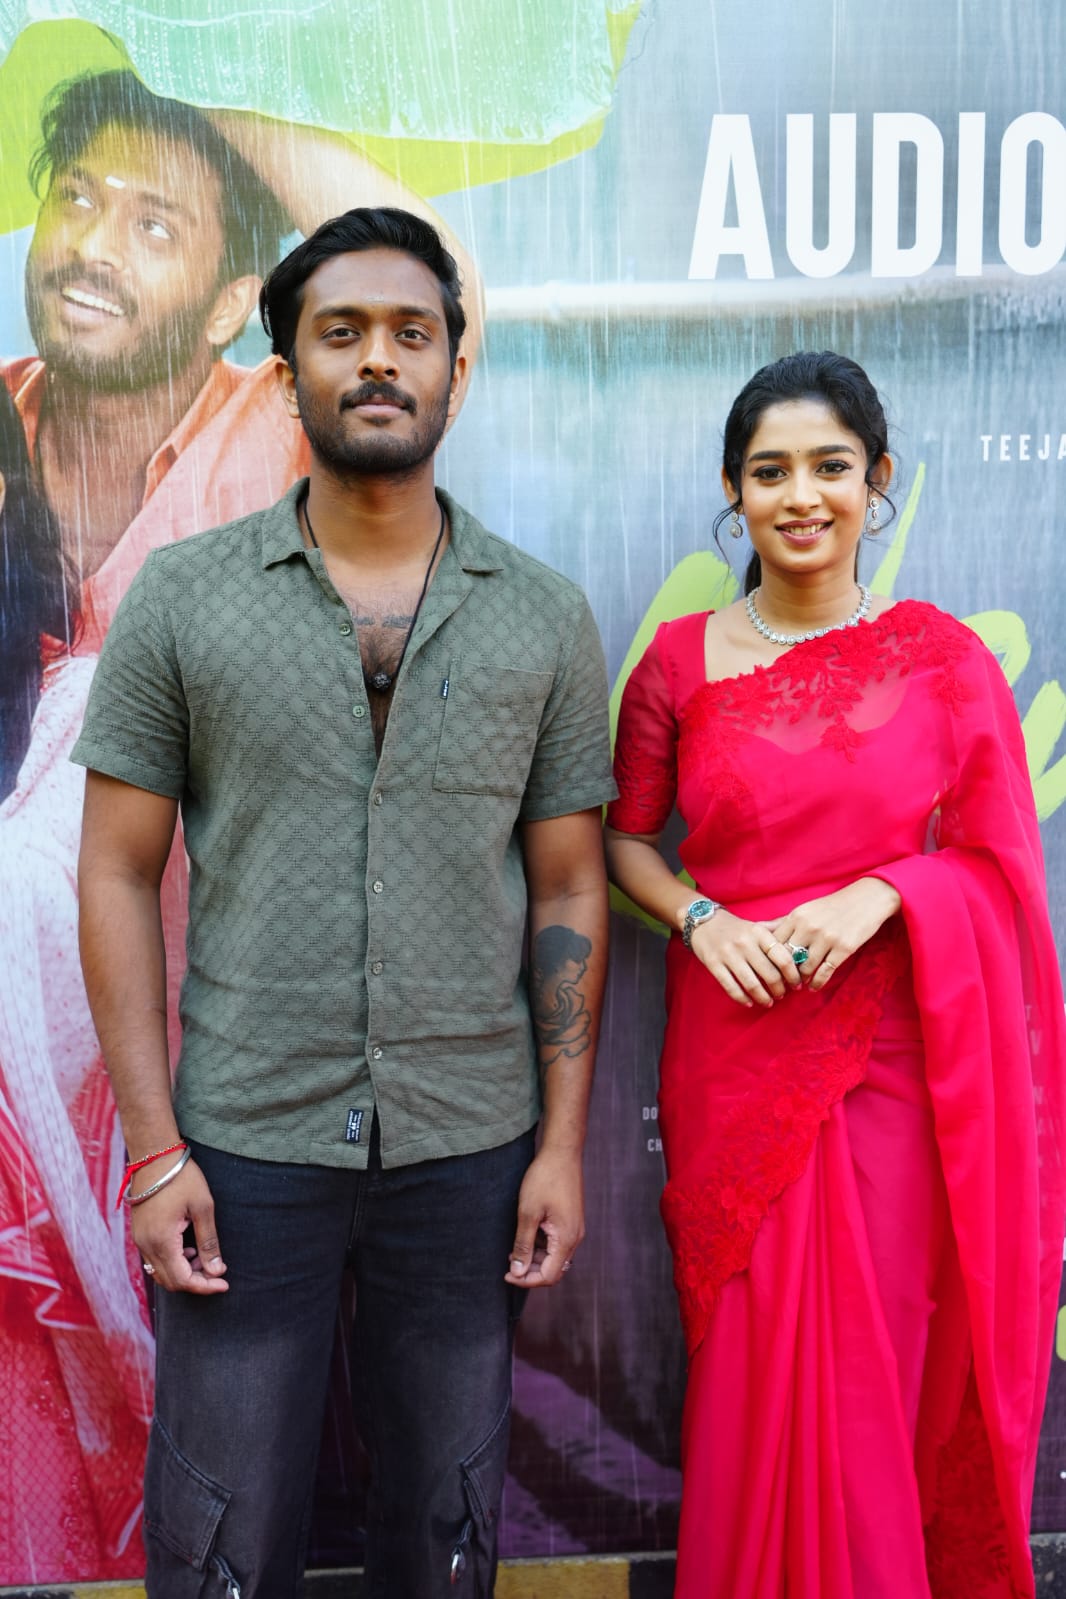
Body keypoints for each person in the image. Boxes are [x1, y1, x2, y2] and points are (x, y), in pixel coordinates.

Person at [73, 206, 614, 1598]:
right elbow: (117, 870)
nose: (379, 359)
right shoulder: (183, 599)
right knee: (221, 1530)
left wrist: (558, 1146)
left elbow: (568, 880)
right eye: (342, 332)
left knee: (445, 1525)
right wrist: (152, 1151)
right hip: (244, 1145)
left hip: (468, 1145)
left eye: (410, 333)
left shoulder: (541, 616)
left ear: (455, 370)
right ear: (286, 370)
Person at [0, 72, 484, 1581]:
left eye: (155, 224)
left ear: (228, 300)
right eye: (77, 197)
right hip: (15, 1122)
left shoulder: (277, 434)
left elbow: (443, 300)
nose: (93, 243)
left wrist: (196, 62)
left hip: (215, 1095)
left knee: (208, 1475)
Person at [604, 351, 1066, 1598]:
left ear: (878, 481)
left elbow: (1001, 873)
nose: (800, 496)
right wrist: (701, 920)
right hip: (736, 1051)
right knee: (754, 1359)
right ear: (731, 489)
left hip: (894, 1063)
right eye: (769, 472)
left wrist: (888, 893)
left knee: (877, 1368)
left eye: (829, 467)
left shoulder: (943, 660)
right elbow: (624, 841)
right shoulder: (678, 666)